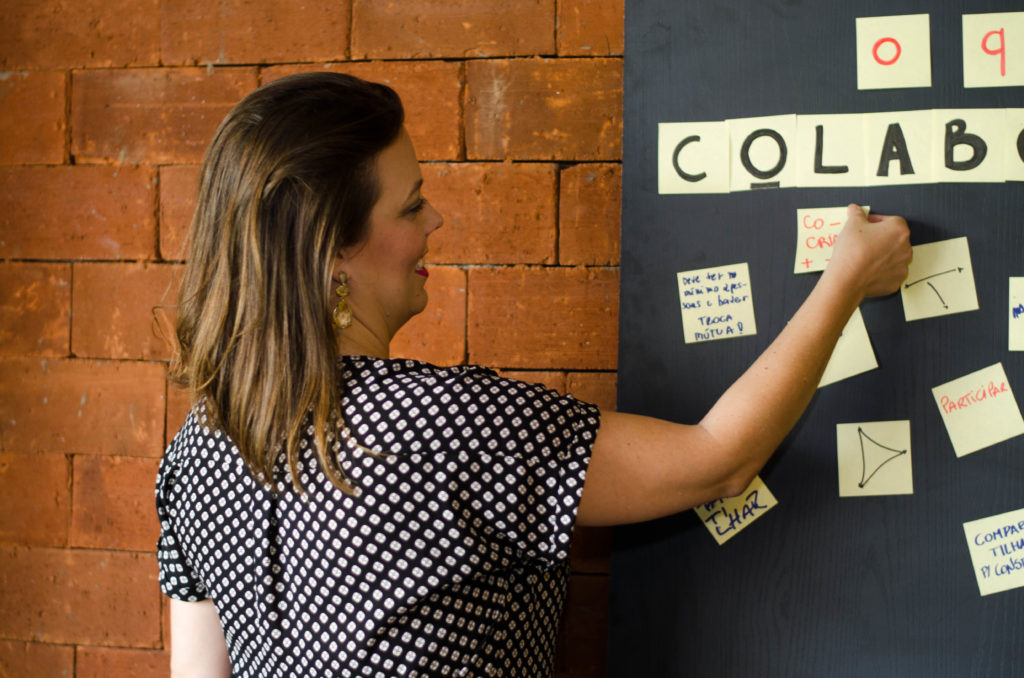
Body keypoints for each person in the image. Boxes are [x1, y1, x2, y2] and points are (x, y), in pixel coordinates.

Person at [157, 72, 911, 678]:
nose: (434, 222)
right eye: (411, 204)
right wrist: (844, 278)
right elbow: (719, 460)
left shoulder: (196, 453)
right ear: (334, 252)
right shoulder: (445, 426)